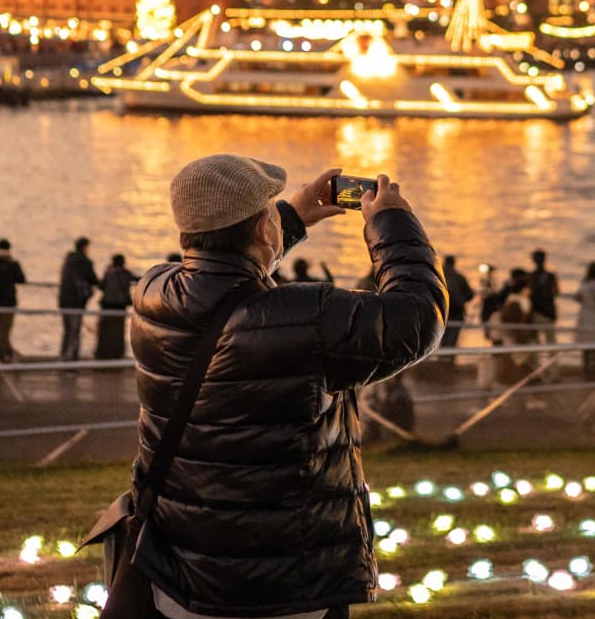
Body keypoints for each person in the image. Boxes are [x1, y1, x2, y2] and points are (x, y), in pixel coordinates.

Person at [119, 157, 445, 619]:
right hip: (288, 581)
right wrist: (393, 224)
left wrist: (292, 215)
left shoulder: (153, 292)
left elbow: (225, 276)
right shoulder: (306, 314)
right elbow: (418, 319)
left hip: (182, 572)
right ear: (260, 231)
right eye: (268, 212)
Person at [58, 236, 98, 362]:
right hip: (77, 302)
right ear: (85, 247)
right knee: (75, 332)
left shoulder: (68, 261)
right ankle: (72, 360)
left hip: (64, 301)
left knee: (67, 330)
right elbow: (94, 280)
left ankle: (64, 356)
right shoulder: (85, 262)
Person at [94, 253, 139, 360]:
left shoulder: (108, 272)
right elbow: (137, 279)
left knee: (105, 331)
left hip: (106, 305)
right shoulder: (126, 273)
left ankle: (103, 353)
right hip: (120, 306)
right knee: (118, 332)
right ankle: (117, 353)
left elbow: (101, 286)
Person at [439, 255, 475, 353]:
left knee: (440, 340)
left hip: (440, 314)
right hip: (457, 314)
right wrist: (462, 300)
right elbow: (470, 294)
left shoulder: (438, 276)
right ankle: (448, 361)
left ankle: (441, 360)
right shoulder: (460, 277)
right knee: (452, 341)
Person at [526, 249, 559, 341]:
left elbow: (556, 291)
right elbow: (556, 292)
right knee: (547, 340)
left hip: (539, 311)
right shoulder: (549, 276)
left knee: (539, 340)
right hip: (541, 312)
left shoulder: (531, 276)